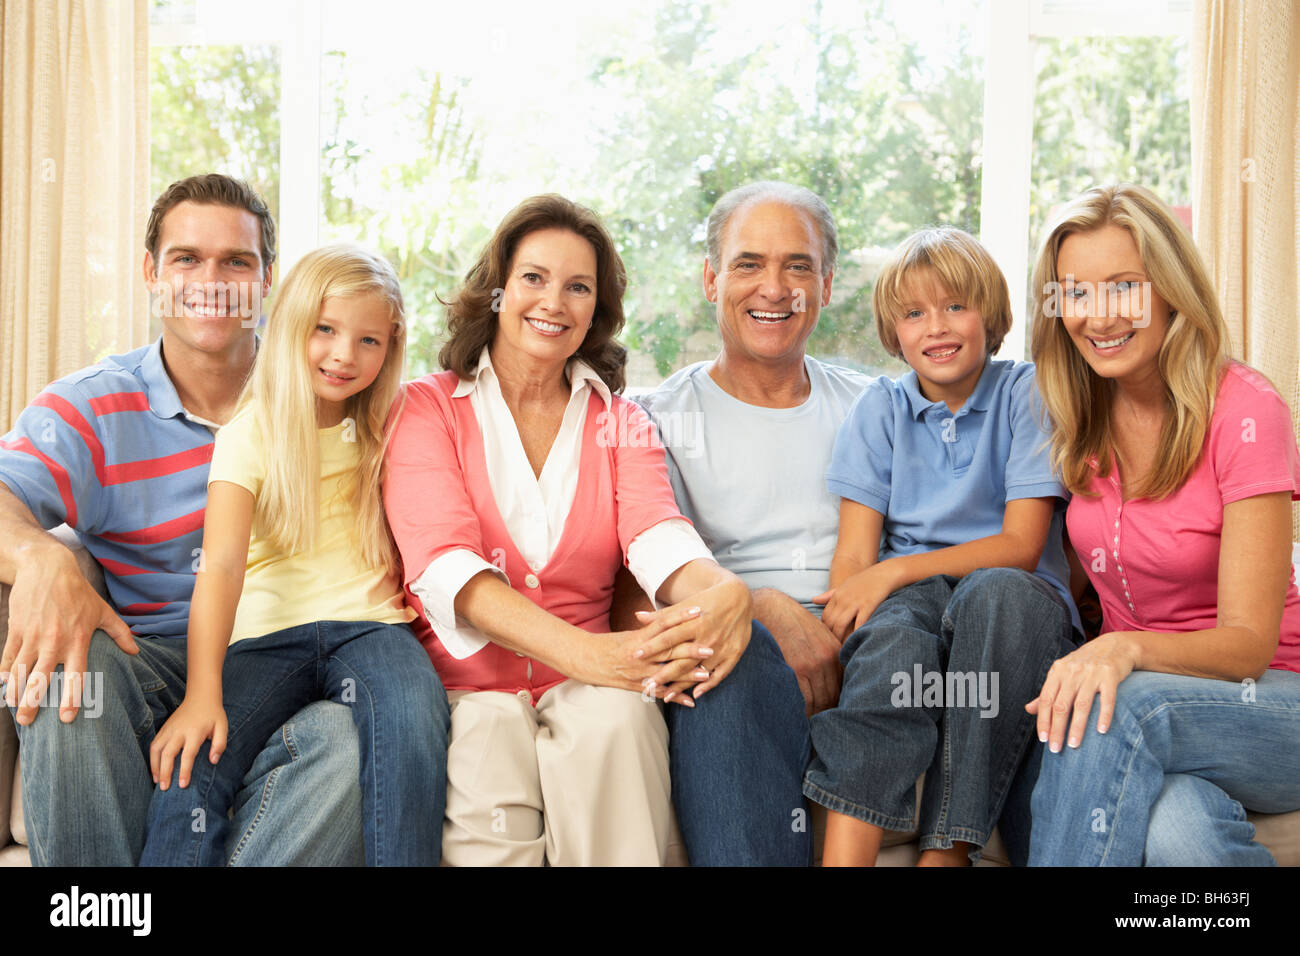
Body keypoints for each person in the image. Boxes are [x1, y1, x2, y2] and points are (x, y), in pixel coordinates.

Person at [0, 174, 375, 865]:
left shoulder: (334, 393)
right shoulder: (91, 407)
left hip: (290, 659)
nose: (214, 280)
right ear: (151, 272)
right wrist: (38, 555)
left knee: (352, 733)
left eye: (237, 261)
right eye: (185, 258)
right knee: (70, 674)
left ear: (267, 280)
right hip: (154, 660)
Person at [384, 194, 753, 865]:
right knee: (488, 735)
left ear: (596, 309)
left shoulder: (622, 420)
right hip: (470, 691)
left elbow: (657, 535)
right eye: (534, 278)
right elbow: (445, 568)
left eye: (577, 286)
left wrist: (721, 589)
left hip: (593, 689)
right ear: (497, 291)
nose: (554, 302)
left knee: (620, 717)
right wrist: (590, 655)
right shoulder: (426, 407)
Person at [138, 244, 444, 866]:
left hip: (372, 630)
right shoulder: (249, 433)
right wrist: (202, 693)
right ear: (291, 326)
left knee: (412, 718)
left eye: (369, 341)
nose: (343, 355)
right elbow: (219, 569)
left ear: (391, 348)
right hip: (268, 635)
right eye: (325, 330)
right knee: (193, 759)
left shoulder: (392, 421)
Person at [1026, 183, 1300, 866]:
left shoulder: (1245, 409)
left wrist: (1126, 649)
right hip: (1156, 720)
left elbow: (1246, 646)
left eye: (1124, 287)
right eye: (1077, 293)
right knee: (1182, 830)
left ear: (1171, 290)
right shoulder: (1077, 413)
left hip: (1272, 703)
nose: (1098, 315)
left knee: (1114, 704)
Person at [801, 226, 1080, 866]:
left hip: (1016, 601)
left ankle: (948, 850)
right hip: (914, 597)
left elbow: (1020, 545)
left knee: (993, 594)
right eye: (914, 313)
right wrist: (852, 610)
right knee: (891, 642)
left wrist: (891, 572)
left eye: (956, 305)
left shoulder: (1026, 394)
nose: (937, 327)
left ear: (992, 315)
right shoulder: (879, 409)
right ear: (894, 333)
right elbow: (855, 555)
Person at [630, 181, 858, 865]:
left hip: (865, 647)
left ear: (825, 283)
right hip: (729, 658)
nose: (775, 287)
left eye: (798, 265)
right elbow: (633, 595)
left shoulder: (875, 407)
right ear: (711, 278)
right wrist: (759, 605)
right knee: (730, 652)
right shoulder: (655, 418)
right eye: (749, 263)